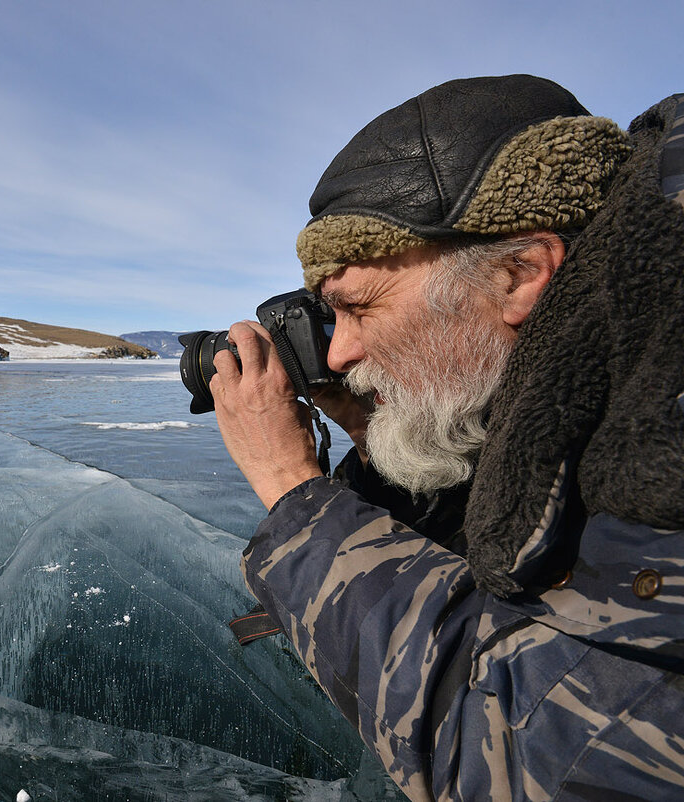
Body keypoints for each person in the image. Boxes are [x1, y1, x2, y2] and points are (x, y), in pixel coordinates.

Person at [210, 74, 684, 800]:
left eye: (360, 309)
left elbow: (547, 757)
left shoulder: (662, 410)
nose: (337, 353)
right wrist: (376, 442)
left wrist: (293, 493)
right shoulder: (592, 359)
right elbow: (520, 556)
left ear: (519, 273)